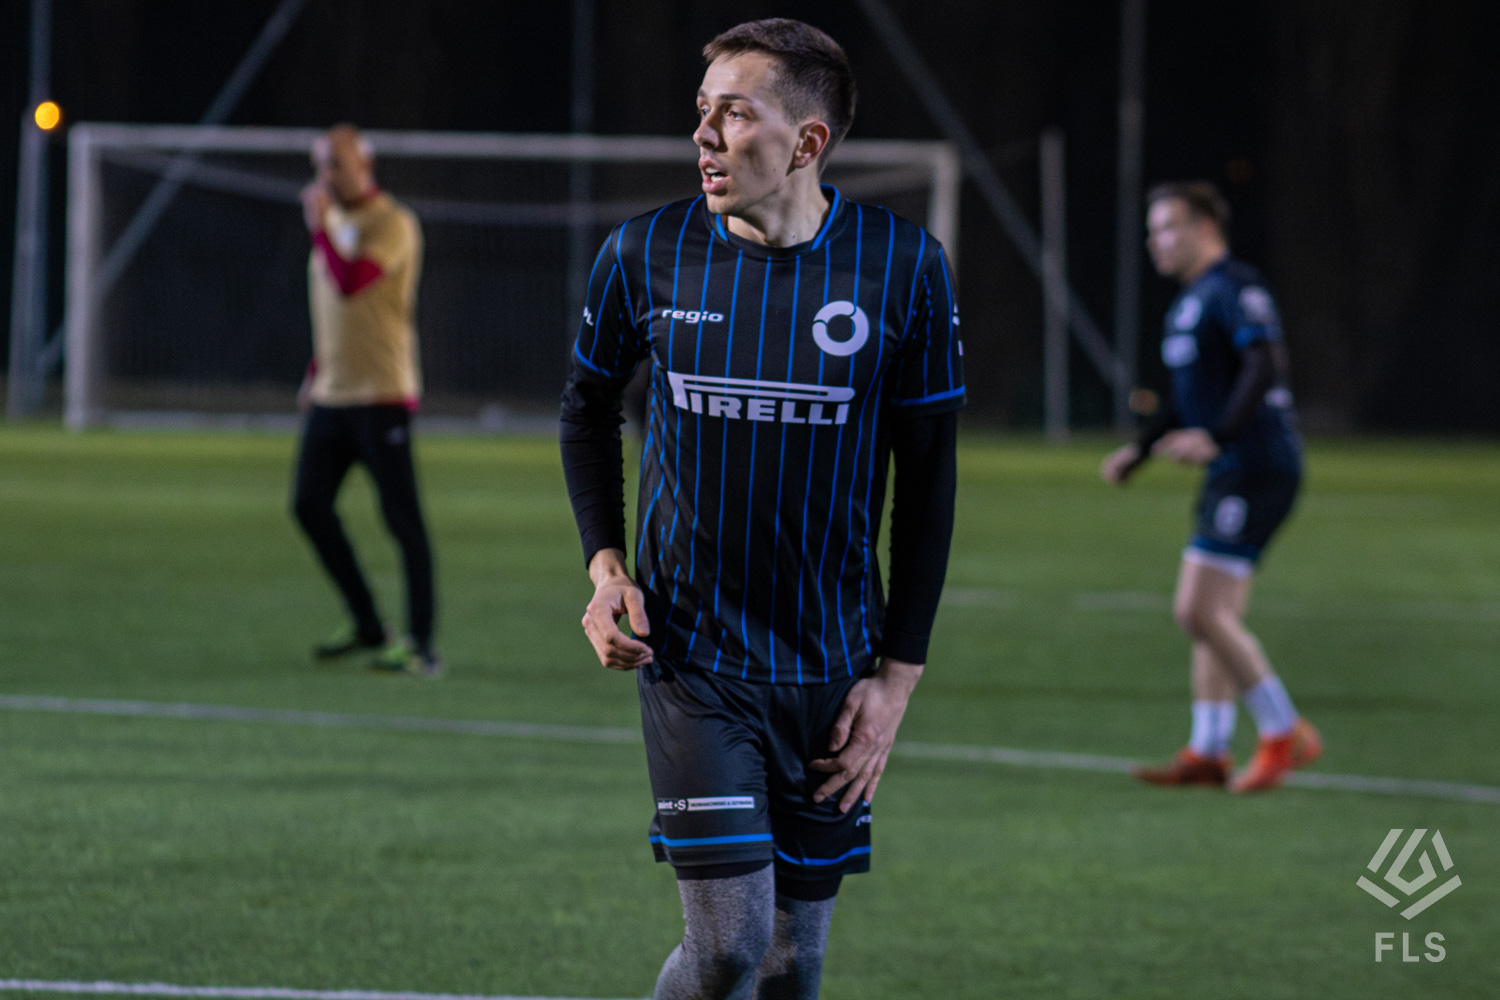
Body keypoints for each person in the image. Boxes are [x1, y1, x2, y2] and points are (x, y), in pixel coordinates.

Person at [560, 19, 962, 999]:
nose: (703, 135)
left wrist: (896, 680)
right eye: (702, 111)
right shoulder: (645, 251)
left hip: (832, 667)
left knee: (792, 963)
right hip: (694, 658)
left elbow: (930, 480)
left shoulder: (902, 267)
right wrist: (606, 569)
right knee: (729, 945)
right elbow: (586, 409)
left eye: (734, 114)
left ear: (808, 141)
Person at [1101, 181, 1319, 793]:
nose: (1156, 241)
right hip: (1233, 468)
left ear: (1204, 228)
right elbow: (1185, 399)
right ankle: (1208, 750)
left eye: (1167, 227)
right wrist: (1141, 451)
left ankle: (1284, 731)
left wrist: (1220, 437)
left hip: (1257, 465)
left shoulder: (1235, 288)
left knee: (1197, 610)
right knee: (1214, 617)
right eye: (1153, 230)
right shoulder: (1191, 301)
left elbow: (1265, 362)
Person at [291, 124, 441, 677]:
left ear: (364, 166)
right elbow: (336, 315)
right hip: (332, 395)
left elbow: (352, 282)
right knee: (308, 505)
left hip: (381, 396)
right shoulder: (334, 223)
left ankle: (420, 644)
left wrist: (319, 229)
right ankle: (367, 623)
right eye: (320, 165)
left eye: (335, 164)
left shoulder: (392, 222)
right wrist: (316, 369)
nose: (325, 176)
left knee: (403, 522)